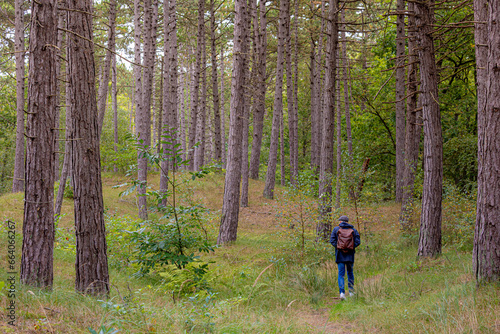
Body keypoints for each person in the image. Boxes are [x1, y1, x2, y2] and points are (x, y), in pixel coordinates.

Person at [330, 215, 361, 300]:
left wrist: (339, 247)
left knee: (341, 274)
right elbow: (358, 242)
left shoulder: (336, 230)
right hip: (350, 256)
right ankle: (351, 292)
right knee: (350, 273)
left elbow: (332, 241)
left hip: (340, 255)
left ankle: (342, 293)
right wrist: (350, 248)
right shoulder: (353, 230)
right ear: (347, 221)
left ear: (340, 222)